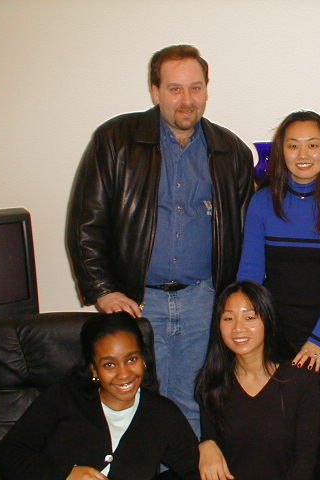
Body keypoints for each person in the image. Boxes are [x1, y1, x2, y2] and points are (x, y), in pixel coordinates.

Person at [66, 44, 255, 436]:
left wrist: (232, 299)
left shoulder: (231, 152)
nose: (187, 100)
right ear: (155, 91)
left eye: (195, 88)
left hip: (202, 300)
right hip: (138, 302)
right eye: (175, 89)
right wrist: (102, 291)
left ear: (207, 89)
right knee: (137, 404)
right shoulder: (116, 140)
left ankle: (186, 465)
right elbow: (86, 223)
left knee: (195, 401)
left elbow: (244, 234)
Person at [237, 111, 320, 478]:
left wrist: (318, 341)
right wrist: (250, 328)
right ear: (281, 151)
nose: (303, 154)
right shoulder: (263, 201)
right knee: (278, 422)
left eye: (313, 145)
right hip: (275, 329)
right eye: (293, 146)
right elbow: (250, 274)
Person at [0, 313, 200, 480]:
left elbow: (194, 469)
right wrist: (65, 474)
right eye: (109, 364)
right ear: (94, 369)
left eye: (132, 359)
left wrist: (206, 447)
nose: (124, 374)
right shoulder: (65, 397)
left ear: (144, 359)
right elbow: (5, 457)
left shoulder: (162, 414)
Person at [196, 281, 320, 480]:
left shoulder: (300, 378)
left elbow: (306, 459)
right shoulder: (213, 381)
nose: (238, 328)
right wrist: (205, 444)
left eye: (250, 317)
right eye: (228, 318)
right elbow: (211, 450)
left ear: (268, 319)